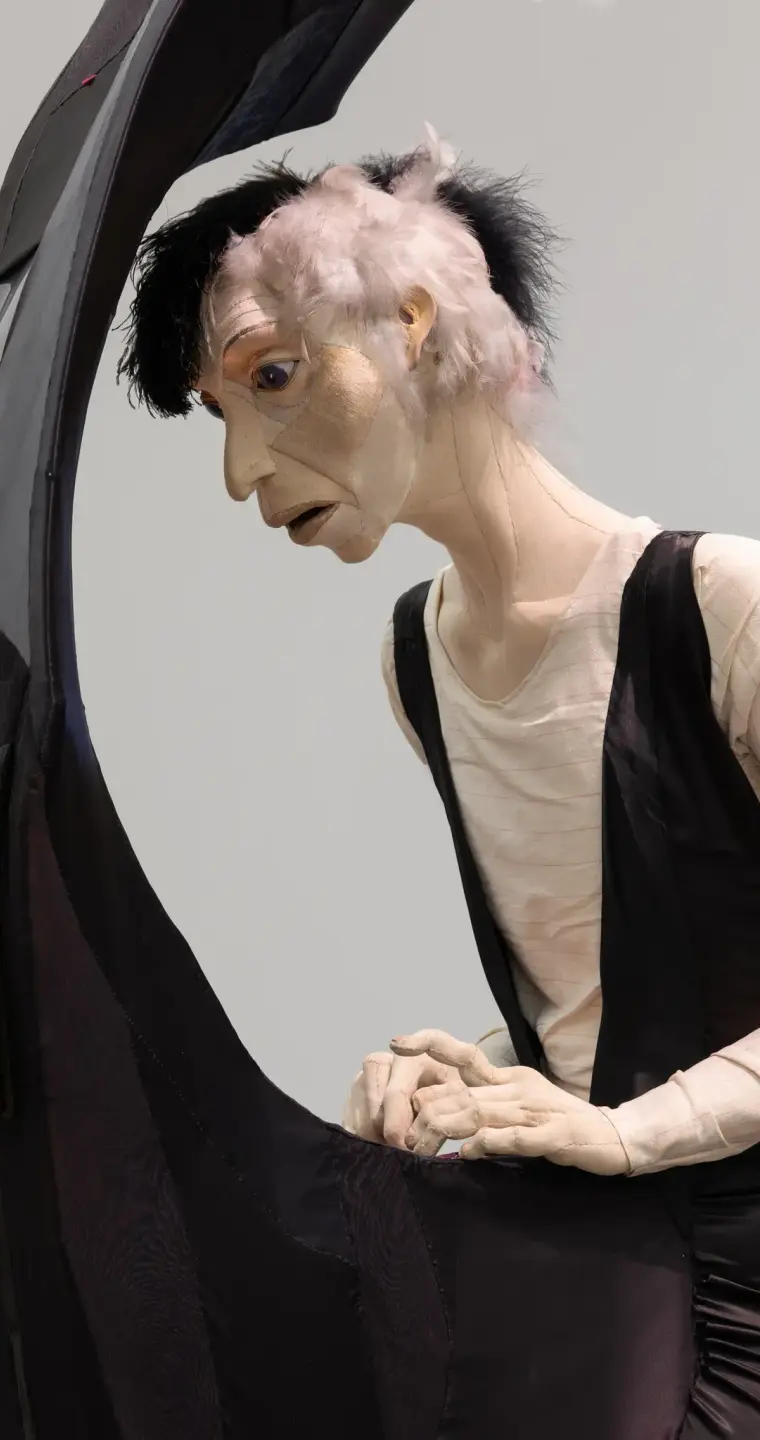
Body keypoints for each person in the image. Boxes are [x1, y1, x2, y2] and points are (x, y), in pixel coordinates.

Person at [118, 130, 760, 1186]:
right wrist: (479, 1073)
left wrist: (628, 1134)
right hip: (612, 1246)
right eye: (222, 416)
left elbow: (646, 1091)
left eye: (273, 375)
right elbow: (607, 1024)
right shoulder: (420, 659)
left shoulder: (718, 604)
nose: (240, 471)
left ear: (409, 322)